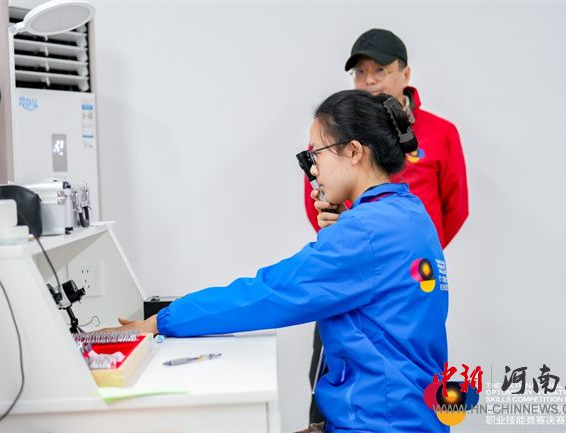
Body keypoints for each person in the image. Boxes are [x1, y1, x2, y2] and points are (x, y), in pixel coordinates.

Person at [110, 90, 449, 433]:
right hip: (412, 417)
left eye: (316, 153)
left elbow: (269, 294)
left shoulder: (363, 232)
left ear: (353, 151)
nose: (313, 169)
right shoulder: (410, 214)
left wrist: (158, 322)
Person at [306, 28, 469, 424]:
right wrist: (341, 234)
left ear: (406, 73)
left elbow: (455, 207)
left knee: (408, 377)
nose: (370, 80)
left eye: (380, 70)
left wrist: (404, 260)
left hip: (408, 285)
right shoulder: (334, 134)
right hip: (346, 276)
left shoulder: (441, 133)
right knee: (332, 380)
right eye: (360, 72)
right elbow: (317, 200)